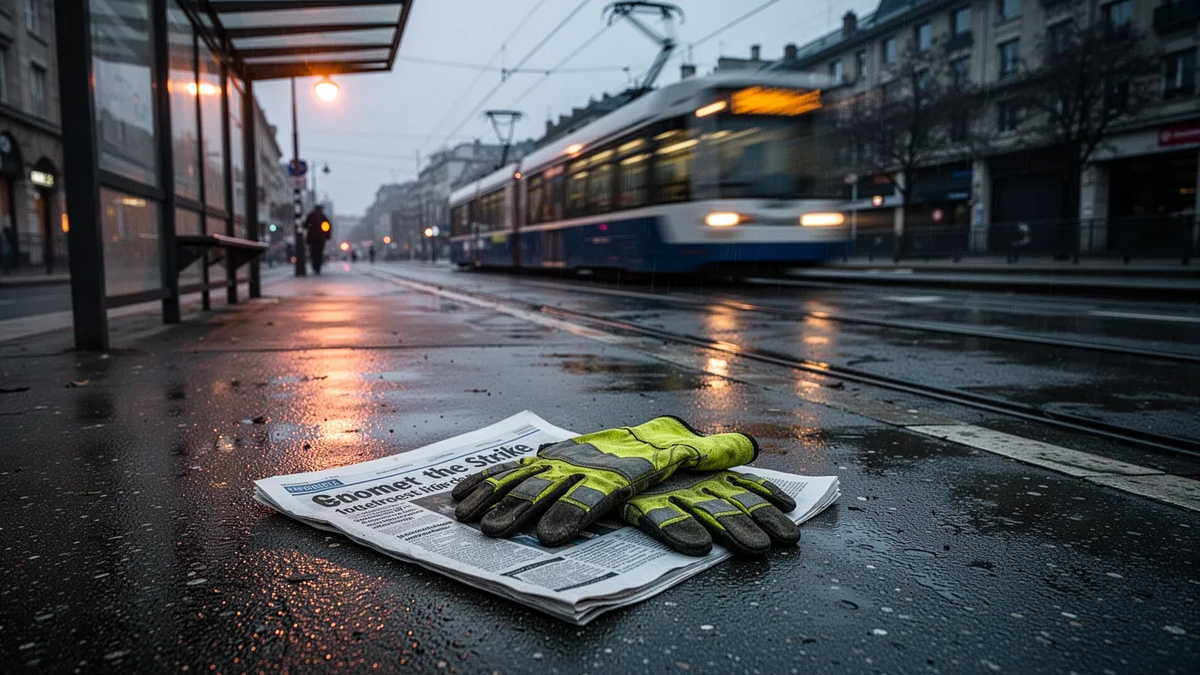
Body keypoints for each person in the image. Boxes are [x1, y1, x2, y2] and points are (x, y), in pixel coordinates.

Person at [303, 205, 331, 275]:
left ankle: (314, 266)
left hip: (312, 238)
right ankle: (318, 267)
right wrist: (327, 236)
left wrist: (310, 227)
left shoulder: (311, 215)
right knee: (319, 252)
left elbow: (305, 225)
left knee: (313, 252)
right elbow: (328, 226)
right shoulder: (323, 217)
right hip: (321, 238)